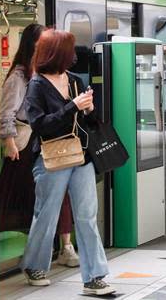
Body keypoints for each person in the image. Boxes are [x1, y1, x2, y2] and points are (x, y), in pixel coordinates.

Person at [21, 29, 114, 296]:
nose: (74, 54)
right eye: (69, 50)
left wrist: (89, 110)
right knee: (46, 214)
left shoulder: (74, 80)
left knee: (86, 217)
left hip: (81, 156)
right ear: (58, 53)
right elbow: (40, 125)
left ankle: (94, 276)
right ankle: (35, 265)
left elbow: (90, 123)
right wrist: (73, 106)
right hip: (51, 158)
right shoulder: (36, 85)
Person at [0, 24, 80, 268]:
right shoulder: (19, 77)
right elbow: (6, 114)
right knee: (28, 202)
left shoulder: (47, 74)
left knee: (58, 195)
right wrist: (10, 144)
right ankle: (33, 253)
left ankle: (64, 246)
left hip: (49, 143)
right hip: (23, 148)